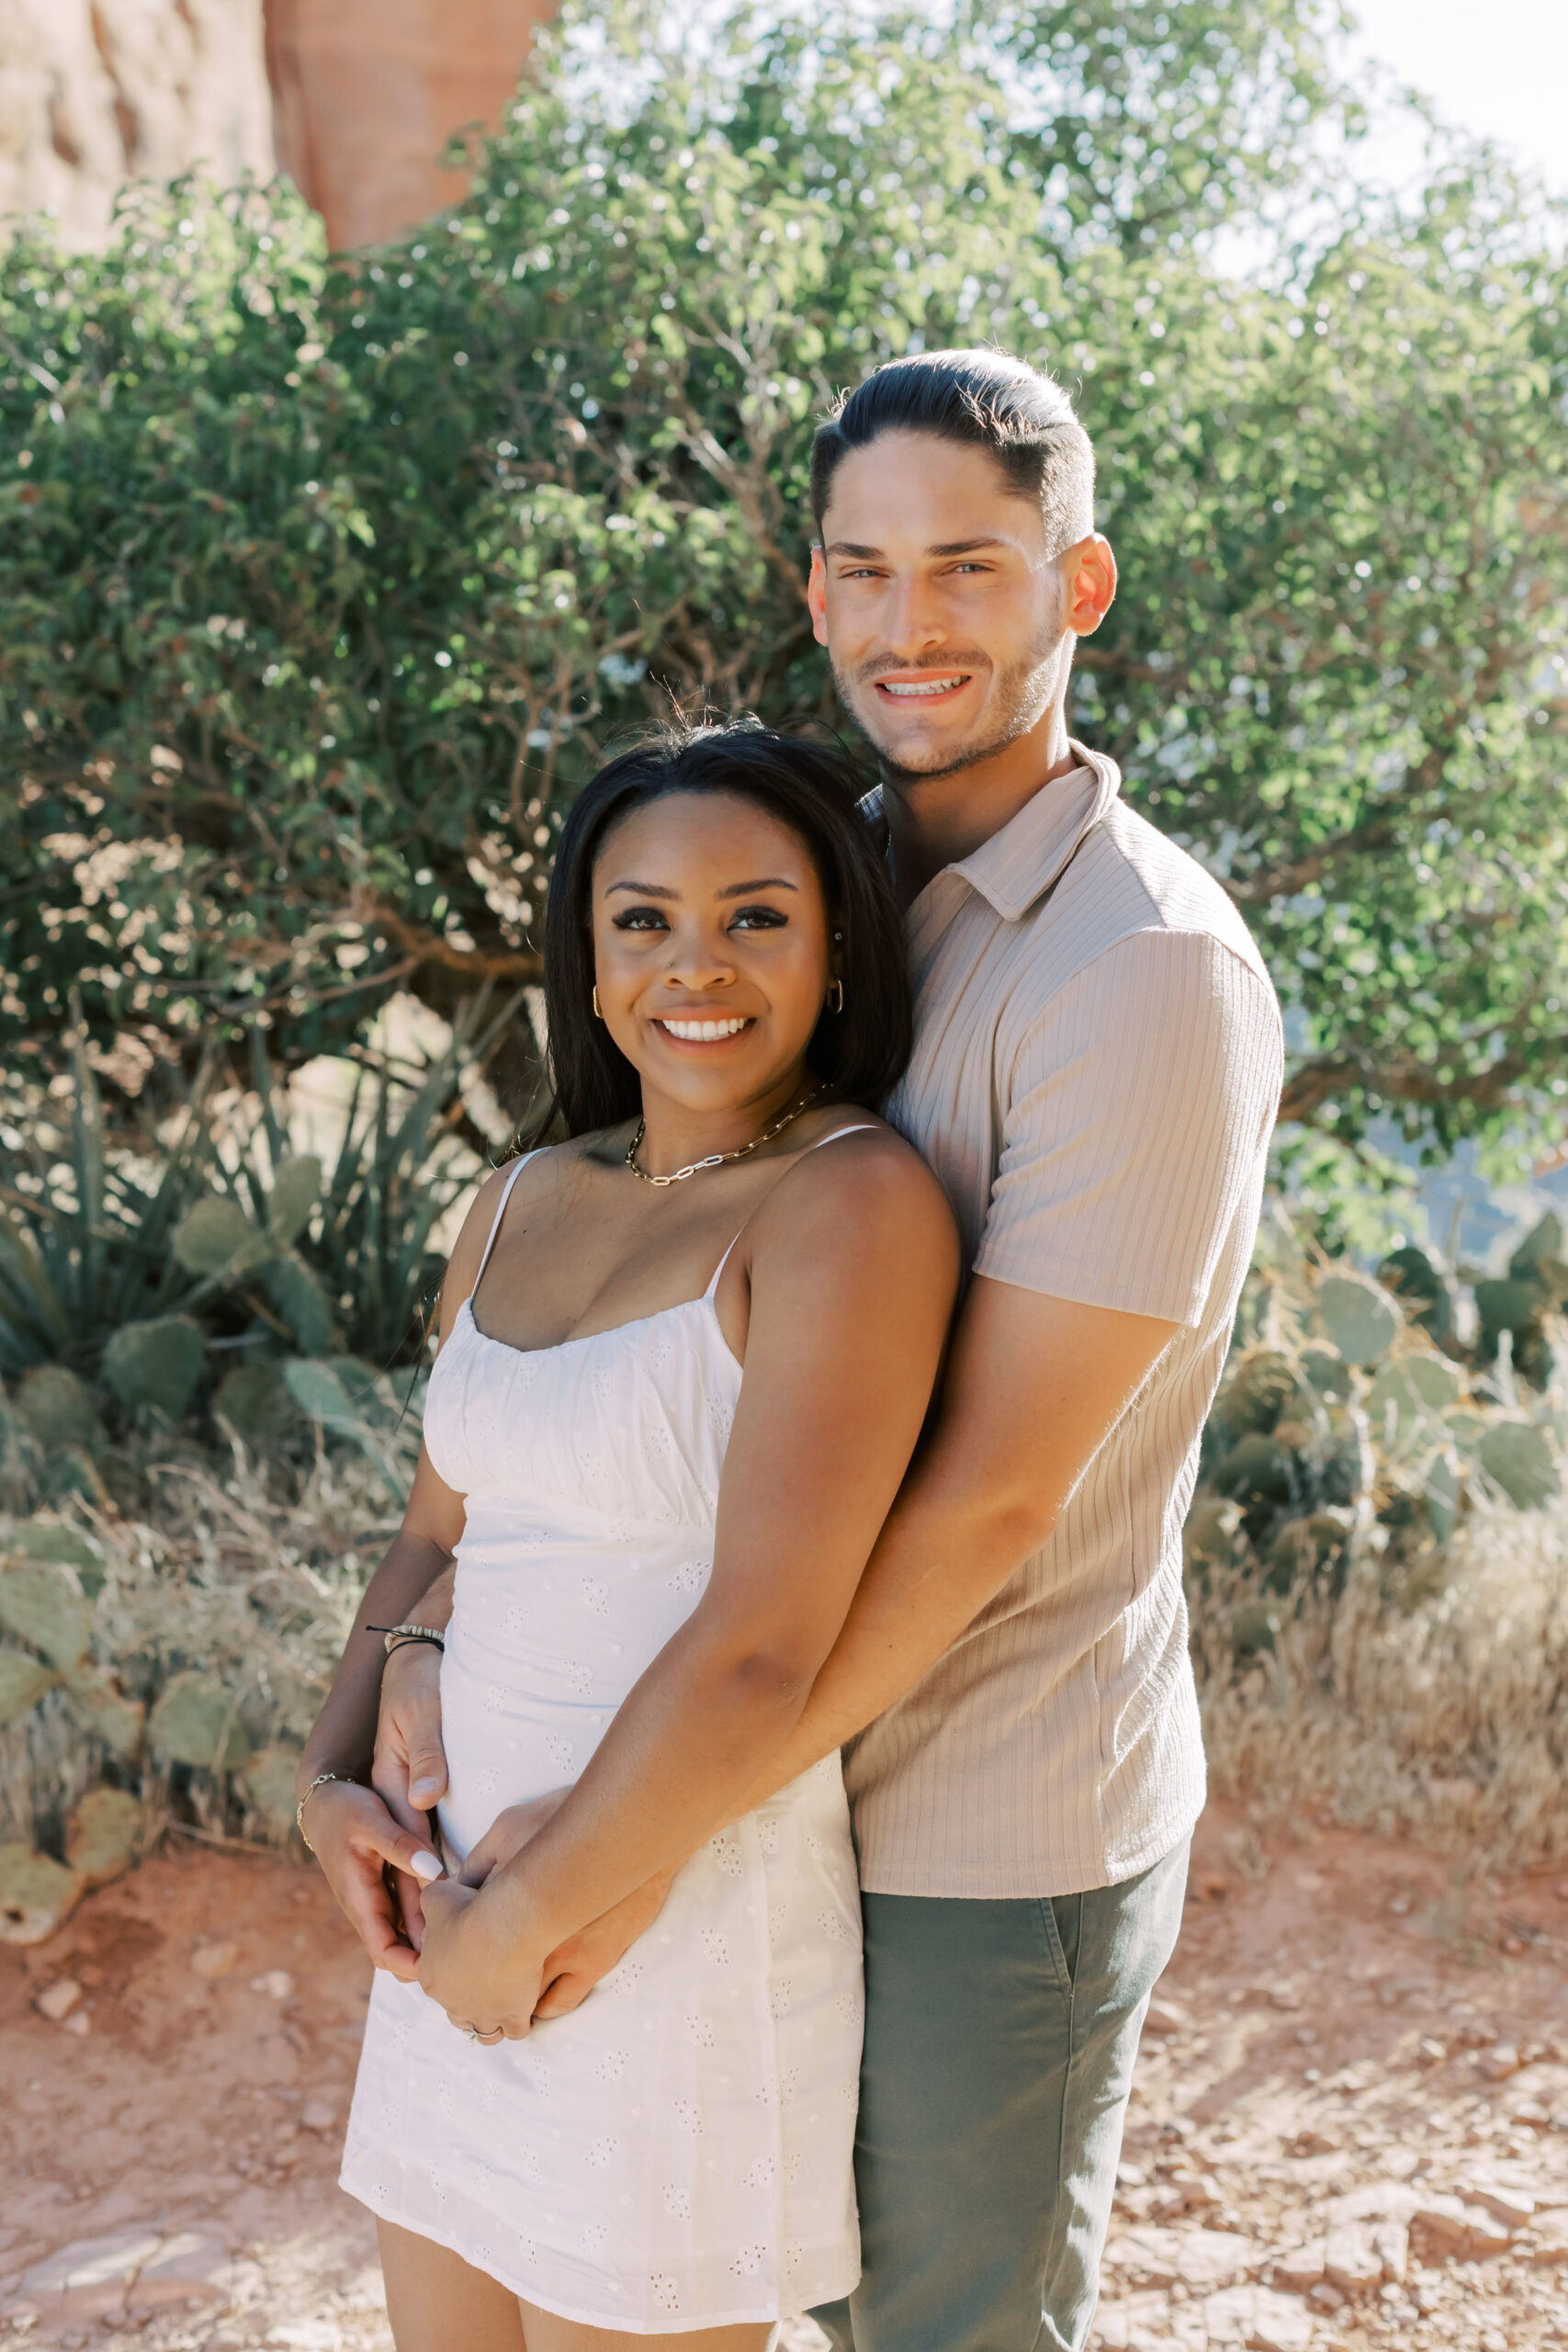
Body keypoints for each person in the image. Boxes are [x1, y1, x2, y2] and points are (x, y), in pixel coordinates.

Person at [310, 348, 1285, 2352]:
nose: (909, 623)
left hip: (969, 1811)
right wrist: (418, 1659)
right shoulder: (813, 879)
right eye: (864, 569)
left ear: (1074, 589)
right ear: (817, 590)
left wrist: (628, 1842)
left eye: (968, 568)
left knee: (934, 2330)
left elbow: (989, 1492)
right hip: (707, 1780)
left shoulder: (1140, 971)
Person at [296, 727, 959, 2350]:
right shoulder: (521, 1196)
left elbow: (763, 1645)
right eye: (644, 920)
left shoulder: (850, 1206)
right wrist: (324, 1785)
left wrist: (535, 1914)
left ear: (836, 952)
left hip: (656, 1934)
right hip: (452, 1918)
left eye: (757, 917)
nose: (697, 967)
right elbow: (433, 1536)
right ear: (588, 964)